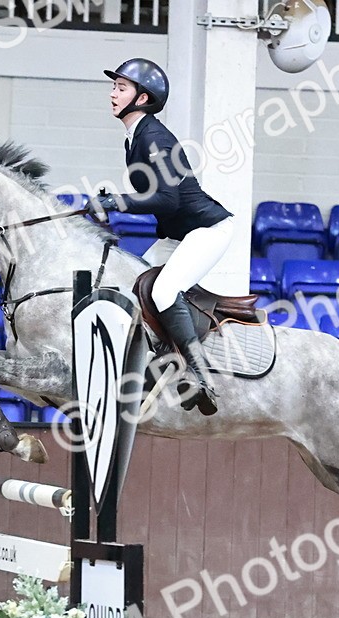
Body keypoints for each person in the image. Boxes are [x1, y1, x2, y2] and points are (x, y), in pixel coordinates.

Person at [90, 58, 232, 417]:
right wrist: (114, 196)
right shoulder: (136, 136)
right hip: (179, 233)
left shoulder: (153, 136)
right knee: (133, 287)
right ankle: (152, 366)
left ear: (142, 98)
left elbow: (167, 198)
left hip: (207, 230)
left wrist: (118, 201)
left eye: (121, 88)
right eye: (114, 87)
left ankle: (201, 377)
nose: (112, 94)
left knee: (164, 291)